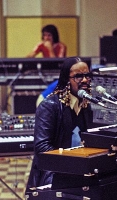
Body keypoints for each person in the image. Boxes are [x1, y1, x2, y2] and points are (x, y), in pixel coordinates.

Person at [26, 57, 93, 191]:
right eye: (79, 76)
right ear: (66, 79)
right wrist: (72, 163)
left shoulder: (87, 105)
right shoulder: (49, 106)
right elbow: (42, 147)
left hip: (81, 170)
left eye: (87, 75)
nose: (85, 80)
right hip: (53, 173)